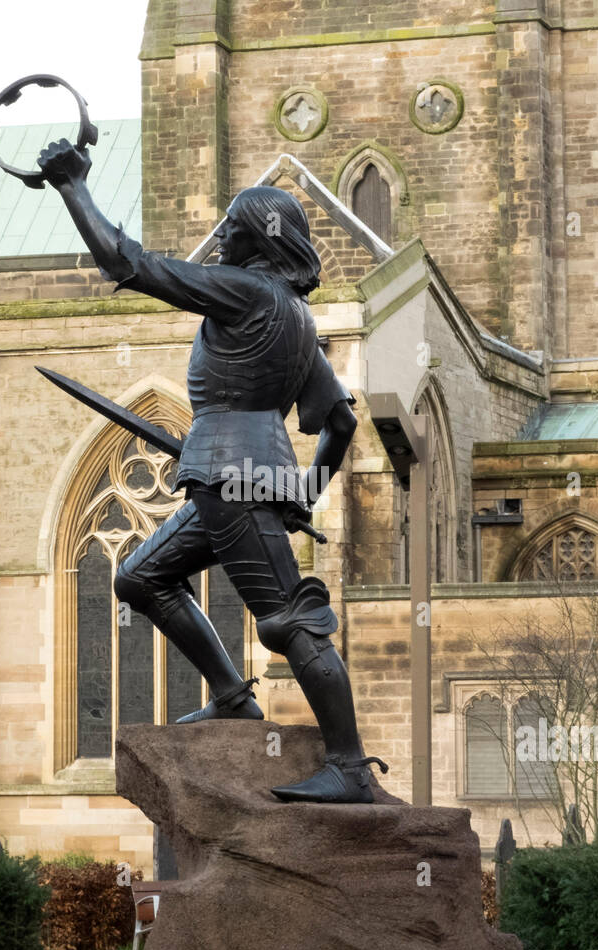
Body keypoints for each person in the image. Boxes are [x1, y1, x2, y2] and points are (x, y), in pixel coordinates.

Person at [39, 137, 387, 803]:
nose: (219, 234)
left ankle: (349, 766)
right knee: (140, 576)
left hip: (233, 478)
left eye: (230, 225)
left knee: (289, 617)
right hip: (238, 478)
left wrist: (71, 185)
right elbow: (339, 423)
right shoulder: (295, 317)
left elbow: (127, 263)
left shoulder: (246, 293)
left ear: (257, 238)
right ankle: (231, 694)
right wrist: (301, 488)